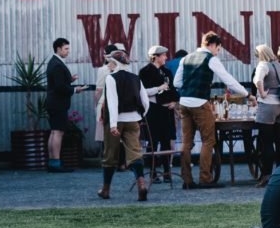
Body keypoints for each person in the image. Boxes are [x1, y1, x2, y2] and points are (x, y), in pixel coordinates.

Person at [172, 32, 249, 189]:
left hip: (184, 102)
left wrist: (190, 87)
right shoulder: (211, 59)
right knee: (209, 140)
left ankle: (187, 180)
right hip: (200, 102)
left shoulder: (185, 58)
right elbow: (228, 80)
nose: (218, 52)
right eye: (218, 49)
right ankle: (205, 178)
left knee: (187, 143)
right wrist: (246, 94)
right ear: (213, 45)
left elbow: (177, 82)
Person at [97, 46, 149, 201]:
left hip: (116, 121)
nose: (109, 65)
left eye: (111, 63)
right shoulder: (136, 78)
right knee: (135, 154)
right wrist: (140, 115)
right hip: (133, 120)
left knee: (110, 156)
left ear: (115, 63)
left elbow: (112, 102)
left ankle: (106, 190)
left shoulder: (111, 78)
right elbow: (145, 102)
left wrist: (113, 125)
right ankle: (141, 184)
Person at [250, 44, 280, 185]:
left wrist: (262, 93)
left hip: (268, 106)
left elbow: (257, 80)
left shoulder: (263, 65)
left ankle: (266, 175)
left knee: (266, 142)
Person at [45, 38, 85, 173]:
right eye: (66, 49)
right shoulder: (57, 64)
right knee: (58, 132)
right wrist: (75, 89)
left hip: (53, 102)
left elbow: (58, 82)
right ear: (58, 49)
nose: (68, 51)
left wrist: (69, 79)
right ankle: (55, 163)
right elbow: (59, 87)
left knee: (54, 131)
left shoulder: (54, 62)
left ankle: (52, 162)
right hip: (58, 103)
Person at [138, 45, 177, 182]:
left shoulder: (166, 71)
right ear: (156, 57)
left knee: (167, 141)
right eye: (163, 55)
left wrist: (174, 101)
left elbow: (172, 88)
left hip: (167, 110)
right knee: (153, 142)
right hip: (153, 110)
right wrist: (159, 88)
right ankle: (153, 172)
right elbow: (143, 92)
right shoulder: (145, 72)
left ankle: (167, 172)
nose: (166, 57)